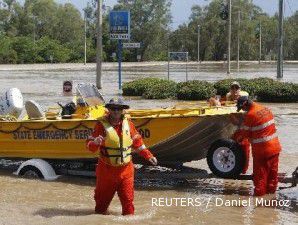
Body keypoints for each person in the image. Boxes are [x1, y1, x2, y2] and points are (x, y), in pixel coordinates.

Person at [86, 98, 157, 215]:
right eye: (113, 109)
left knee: (128, 202)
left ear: (123, 110)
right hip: (106, 172)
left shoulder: (129, 124)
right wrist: (95, 142)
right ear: (108, 109)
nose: (116, 111)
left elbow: (138, 143)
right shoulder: (100, 125)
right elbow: (89, 147)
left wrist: (149, 156)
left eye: (119, 109)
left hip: (126, 171)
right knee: (101, 206)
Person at [233, 96, 282, 196]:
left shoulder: (251, 115)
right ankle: (271, 201)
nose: (243, 111)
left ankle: (259, 205)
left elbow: (244, 135)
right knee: (272, 177)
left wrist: (235, 139)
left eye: (242, 108)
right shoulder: (264, 108)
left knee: (260, 178)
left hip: (262, 151)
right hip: (275, 148)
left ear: (245, 104)